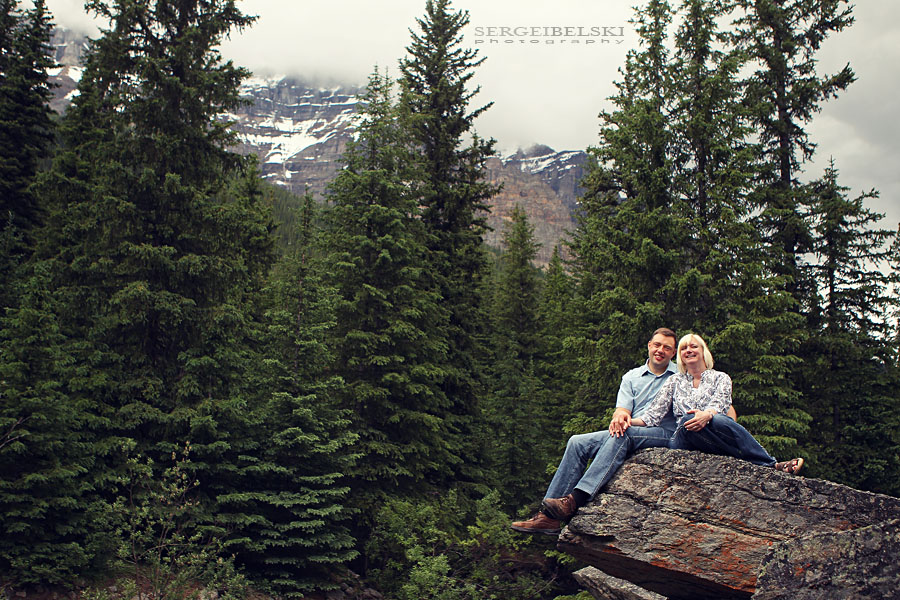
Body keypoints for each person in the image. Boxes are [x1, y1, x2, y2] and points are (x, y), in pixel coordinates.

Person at [511, 328, 729, 535]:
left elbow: (722, 405)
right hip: (637, 425)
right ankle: (547, 517)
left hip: (664, 432)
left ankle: (577, 497)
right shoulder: (632, 377)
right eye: (657, 345)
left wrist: (718, 428)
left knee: (624, 434)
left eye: (667, 348)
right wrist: (620, 418)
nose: (660, 351)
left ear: (673, 353)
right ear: (649, 346)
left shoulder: (681, 374)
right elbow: (622, 409)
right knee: (578, 442)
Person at [640, 333, 804, 474]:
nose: (688, 350)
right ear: (680, 356)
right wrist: (626, 421)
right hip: (684, 437)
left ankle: (771, 464)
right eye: (683, 348)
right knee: (686, 419)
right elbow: (653, 415)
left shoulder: (721, 378)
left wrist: (707, 415)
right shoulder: (674, 381)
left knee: (719, 419)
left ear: (703, 351)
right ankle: (765, 463)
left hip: (710, 437)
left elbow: (720, 405)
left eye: (693, 346)